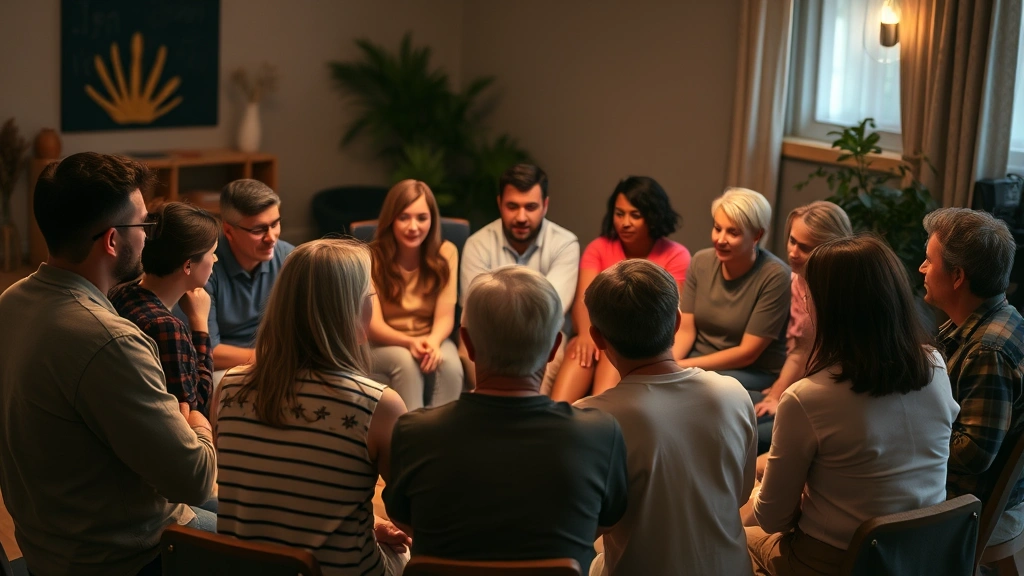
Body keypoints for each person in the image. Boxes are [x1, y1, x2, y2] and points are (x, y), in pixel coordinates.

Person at [0, 152, 216, 575]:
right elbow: (195, 477)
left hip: (49, 541)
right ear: (113, 240)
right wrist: (197, 422)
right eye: (143, 225)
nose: (148, 238)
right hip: (128, 557)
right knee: (283, 543)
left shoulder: (12, 301)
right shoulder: (110, 340)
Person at [384, 266, 629, 570]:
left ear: (468, 344)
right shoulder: (600, 434)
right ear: (555, 348)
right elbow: (604, 522)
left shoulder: (414, 433)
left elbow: (404, 519)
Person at [747, 235, 959, 576]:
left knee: (721, 537)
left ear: (827, 307)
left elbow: (773, 519)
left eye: (808, 294)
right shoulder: (933, 365)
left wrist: (762, 492)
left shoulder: (808, 397)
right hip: (921, 556)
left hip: (837, 562)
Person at [214, 238, 410, 575]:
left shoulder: (229, 387)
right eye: (371, 296)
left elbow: (274, 491)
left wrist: (364, 520)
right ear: (352, 310)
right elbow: (407, 514)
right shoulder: (379, 405)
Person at [577, 260, 756, 576]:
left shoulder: (589, 418)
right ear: (675, 322)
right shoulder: (733, 393)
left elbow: (581, 526)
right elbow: (740, 495)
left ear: (597, 337)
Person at [920, 207, 1024, 546]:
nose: (921, 268)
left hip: (968, 503)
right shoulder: (1000, 317)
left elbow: (975, 454)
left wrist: (911, 435)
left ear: (957, 276)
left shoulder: (987, 351)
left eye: (929, 261)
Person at [550, 176, 690, 402]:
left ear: (653, 217)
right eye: (619, 213)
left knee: (614, 348)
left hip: (641, 343)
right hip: (599, 334)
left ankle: (599, 419)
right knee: (580, 346)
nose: (625, 222)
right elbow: (582, 302)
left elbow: (669, 315)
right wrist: (586, 335)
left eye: (635, 215)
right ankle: (554, 416)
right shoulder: (599, 247)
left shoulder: (676, 255)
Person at [458, 163, 580, 392]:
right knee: (468, 351)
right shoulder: (477, 244)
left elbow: (551, 310)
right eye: (512, 206)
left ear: (545, 205)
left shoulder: (565, 244)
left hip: (541, 337)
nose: (521, 217)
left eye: (530, 207)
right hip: (487, 336)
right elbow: (474, 308)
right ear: (499, 204)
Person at [751, 202, 852, 454]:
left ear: (832, 249)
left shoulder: (848, 290)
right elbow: (799, 349)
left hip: (835, 395)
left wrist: (788, 397)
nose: (793, 252)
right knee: (739, 412)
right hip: (804, 385)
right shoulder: (797, 280)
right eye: (792, 241)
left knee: (755, 436)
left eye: (805, 248)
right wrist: (776, 394)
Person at [110, 202, 220, 416]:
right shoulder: (166, 328)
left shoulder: (121, 292)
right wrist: (199, 322)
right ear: (188, 265)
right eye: (212, 253)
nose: (215, 260)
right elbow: (194, 407)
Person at [677, 187, 790, 395]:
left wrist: (682, 368)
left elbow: (748, 353)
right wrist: (670, 363)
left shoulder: (775, 276)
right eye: (717, 228)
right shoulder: (701, 262)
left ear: (757, 235)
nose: (720, 239)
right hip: (695, 361)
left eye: (733, 232)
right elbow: (686, 329)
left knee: (694, 391)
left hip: (749, 370)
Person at [177, 179, 295, 371]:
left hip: (277, 361)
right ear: (229, 231)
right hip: (224, 369)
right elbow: (207, 351)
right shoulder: (204, 270)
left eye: (275, 224)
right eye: (259, 229)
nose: (271, 238)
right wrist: (274, 357)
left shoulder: (290, 259)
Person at [368, 180, 463, 410]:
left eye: (422, 218)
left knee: (450, 365)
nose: (413, 227)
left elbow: (444, 317)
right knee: (406, 363)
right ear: (391, 219)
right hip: (382, 344)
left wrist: (432, 341)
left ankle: (441, 437)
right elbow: (374, 326)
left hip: (429, 337)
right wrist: (410, 342)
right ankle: (411, 438)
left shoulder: (446, 252)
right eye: (404, 217)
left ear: (432, 220)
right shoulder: (371, 256)